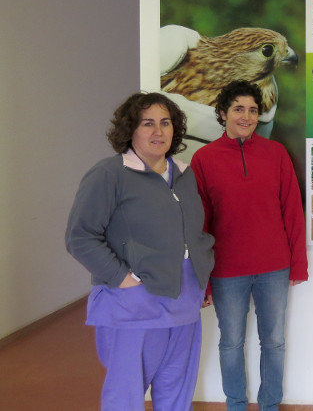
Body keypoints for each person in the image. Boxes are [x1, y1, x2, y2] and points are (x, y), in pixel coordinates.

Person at [65, 92, 215, 411]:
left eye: (165, 123)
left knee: (176, 394)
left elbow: (195, 232)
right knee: (126, 398)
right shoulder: (109, 174)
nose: (158, 131)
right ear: (130, 129)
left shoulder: (185, 175)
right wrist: (123, 279)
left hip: (184, 304)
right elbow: (80, 236)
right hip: (133, 307)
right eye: (147, 123)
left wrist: (201, 272)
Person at [191, 80, 308, 411]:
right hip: (227, 270)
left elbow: (292, 212)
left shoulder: (277, 154)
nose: (246, 116)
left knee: (274, 341)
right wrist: (203, 280)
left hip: (274, 266)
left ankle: (270, 405)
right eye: (239, 109)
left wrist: (298, 263)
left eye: (253, 110)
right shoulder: (203, 159)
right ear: (222, 113)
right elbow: (200, 225)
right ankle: (236, 405)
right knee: (230, 343)